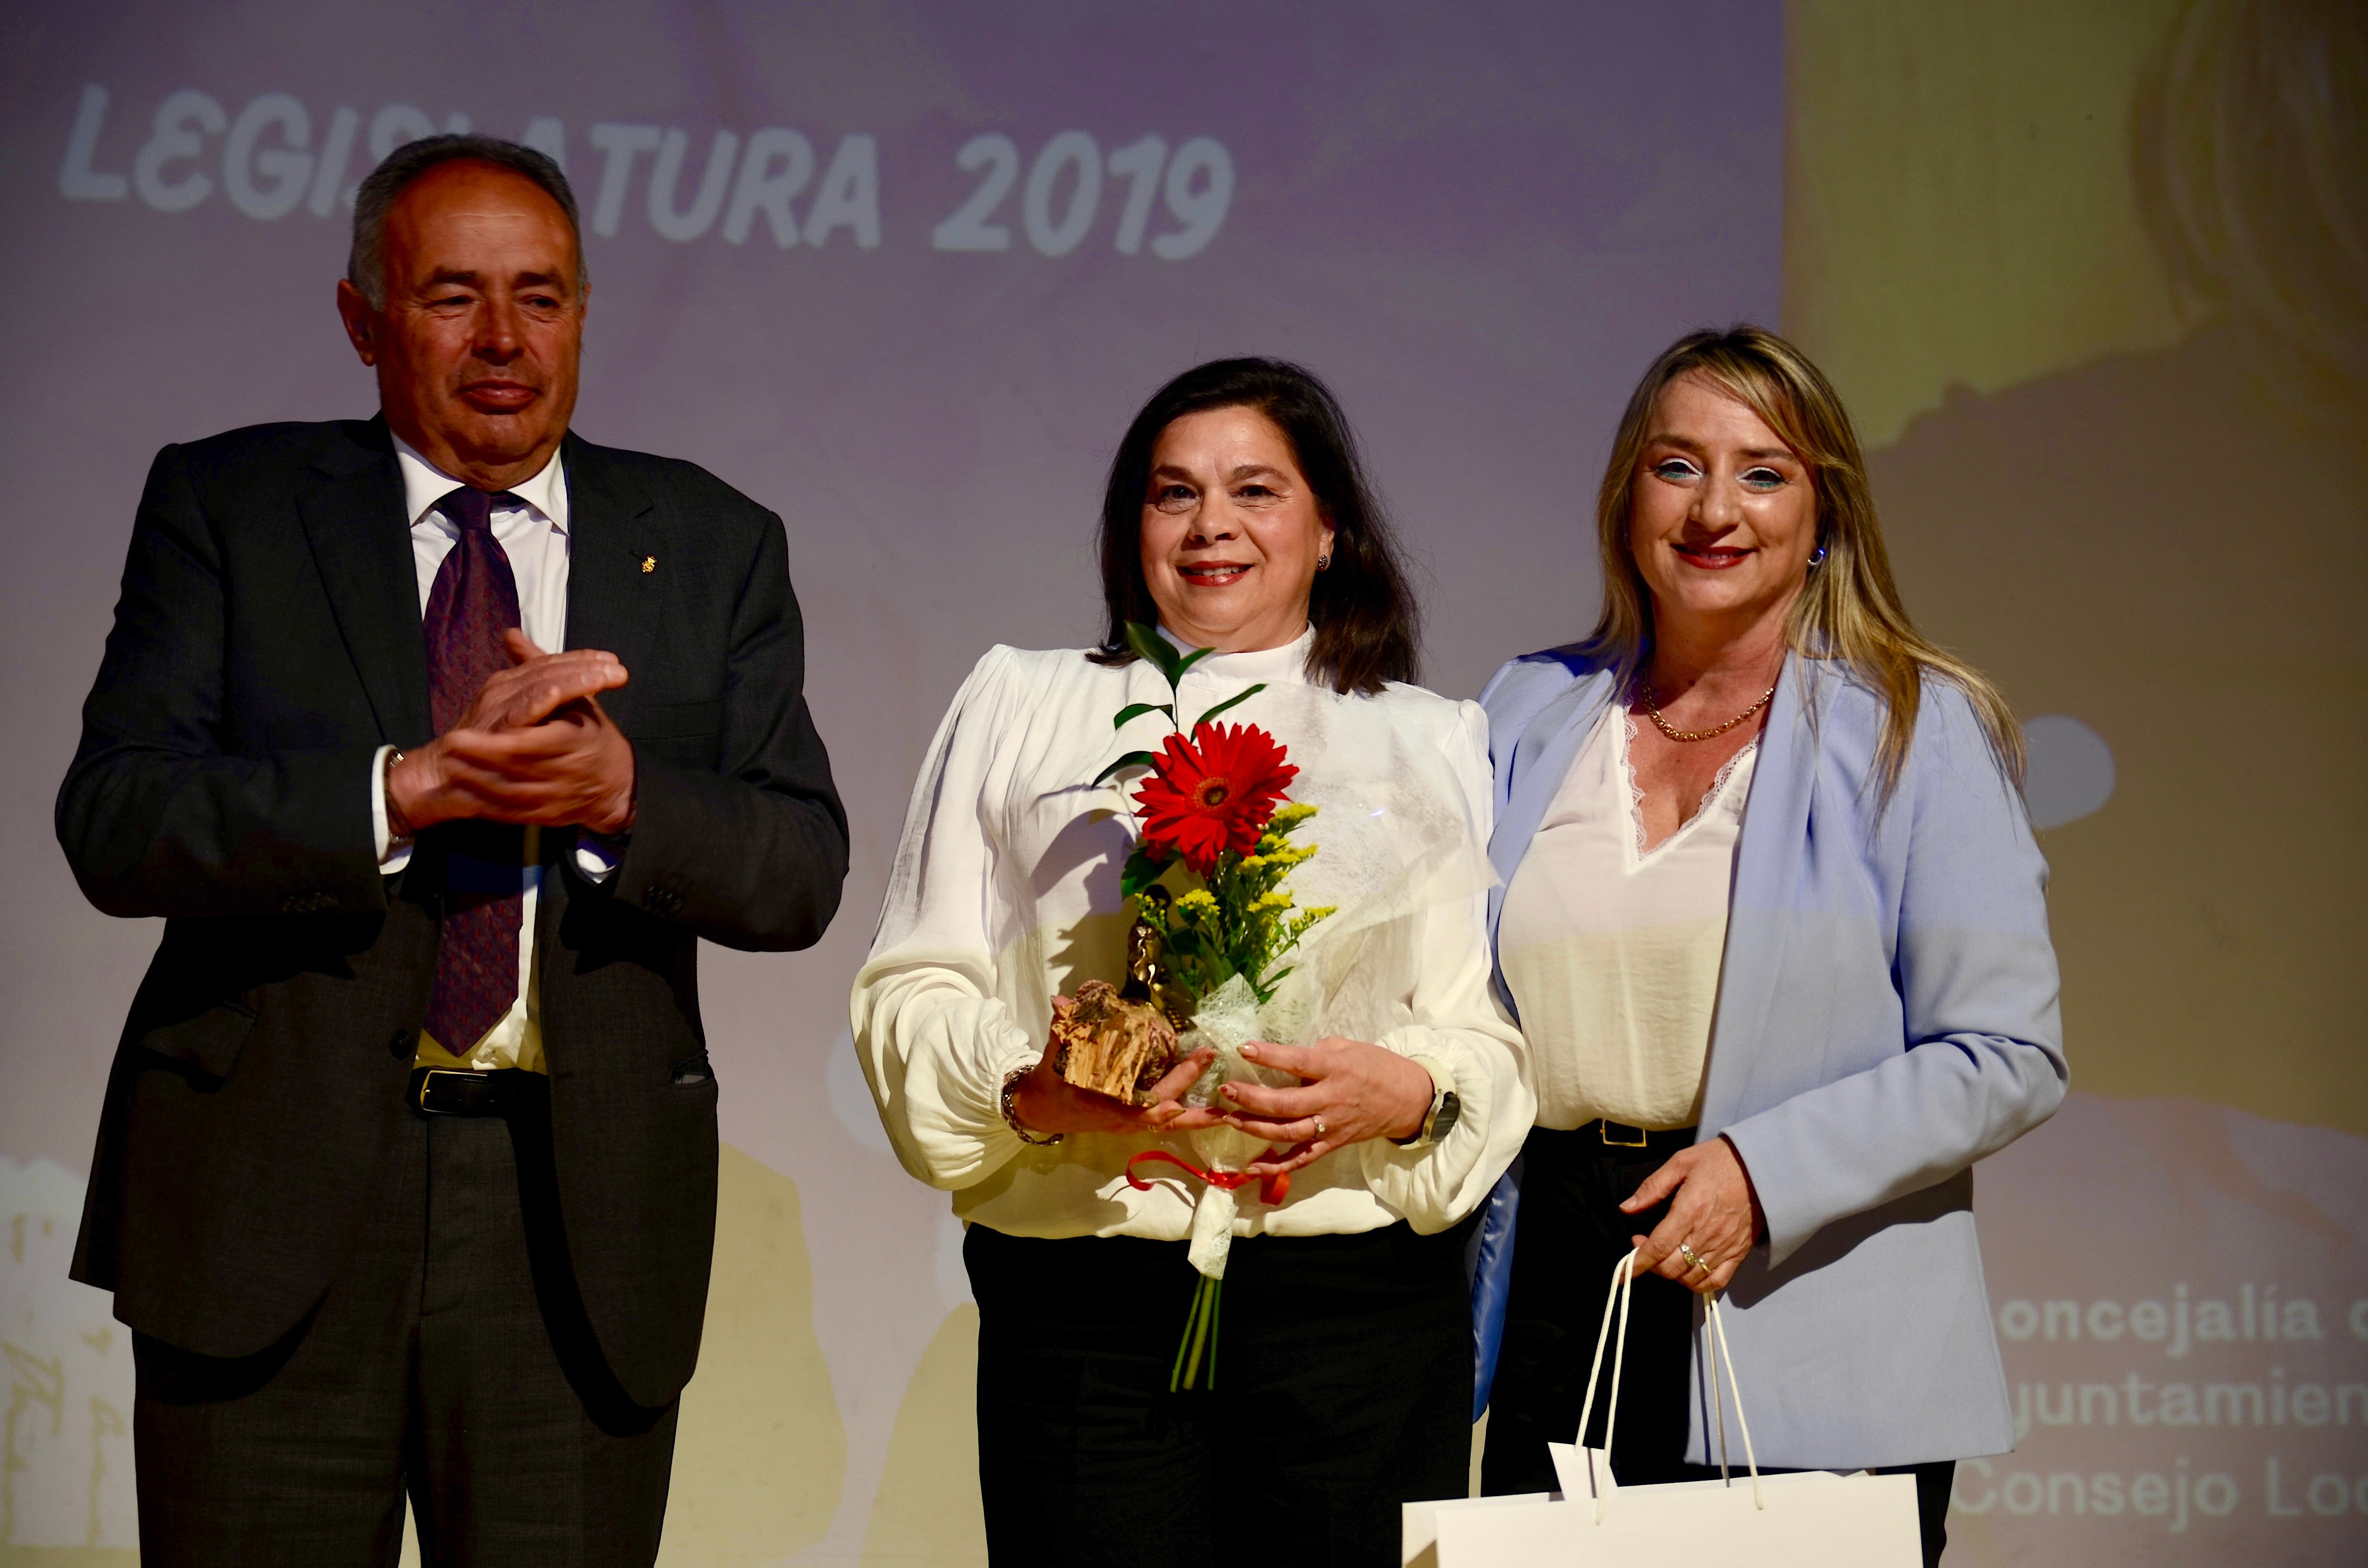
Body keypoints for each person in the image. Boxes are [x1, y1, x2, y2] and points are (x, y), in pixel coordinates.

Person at [56, 135, 847, 1566]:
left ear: (586, 316)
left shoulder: (713, 540)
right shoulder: (234, 509)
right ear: (363, 317)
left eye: (541, 298)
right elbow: (116, 820)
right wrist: (400, 791)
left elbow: (798, 865)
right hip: (273, 1201)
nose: (503, 340)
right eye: (451, 298)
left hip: (572, 1222)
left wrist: (621, 798)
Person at [853, 358, 1530, 1568]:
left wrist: (1408, 1091)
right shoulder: (1025, 701)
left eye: (1255, 490)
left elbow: (1476, 1035)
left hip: (1356, 1315)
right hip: (1089, 1301)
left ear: (1329, 530)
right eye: (1174, 493)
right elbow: (915, 984)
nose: (1211, 523)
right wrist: (1030, 1089)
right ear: (1133, 530)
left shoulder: (1428, 739)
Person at [1471, 326, 2065, 1566]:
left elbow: (2008, 1052)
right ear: (1628, 494)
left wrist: (1761, 1173)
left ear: (1825, 512)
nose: (1713, 509)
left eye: (1763, 472)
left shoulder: (1915, 728)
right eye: (1677, 465)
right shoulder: (1528, 709)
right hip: (1565, 1281)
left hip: (1806, 1289)